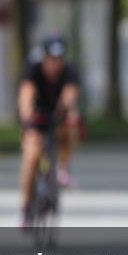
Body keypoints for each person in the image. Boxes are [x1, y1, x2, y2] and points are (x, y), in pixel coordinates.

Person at [18, 34, 81, 230]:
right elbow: (26, 94)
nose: (55, 64)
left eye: (59, 59)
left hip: (57, 116)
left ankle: (62, 168)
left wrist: (69, 109)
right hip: (36, 117)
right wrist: (27, 113)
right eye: (51, 59)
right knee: (31, 157)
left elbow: (70, 94)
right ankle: (26, 206)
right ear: (44, 57)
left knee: (70, 127)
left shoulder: (69, 71)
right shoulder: (33, 68)